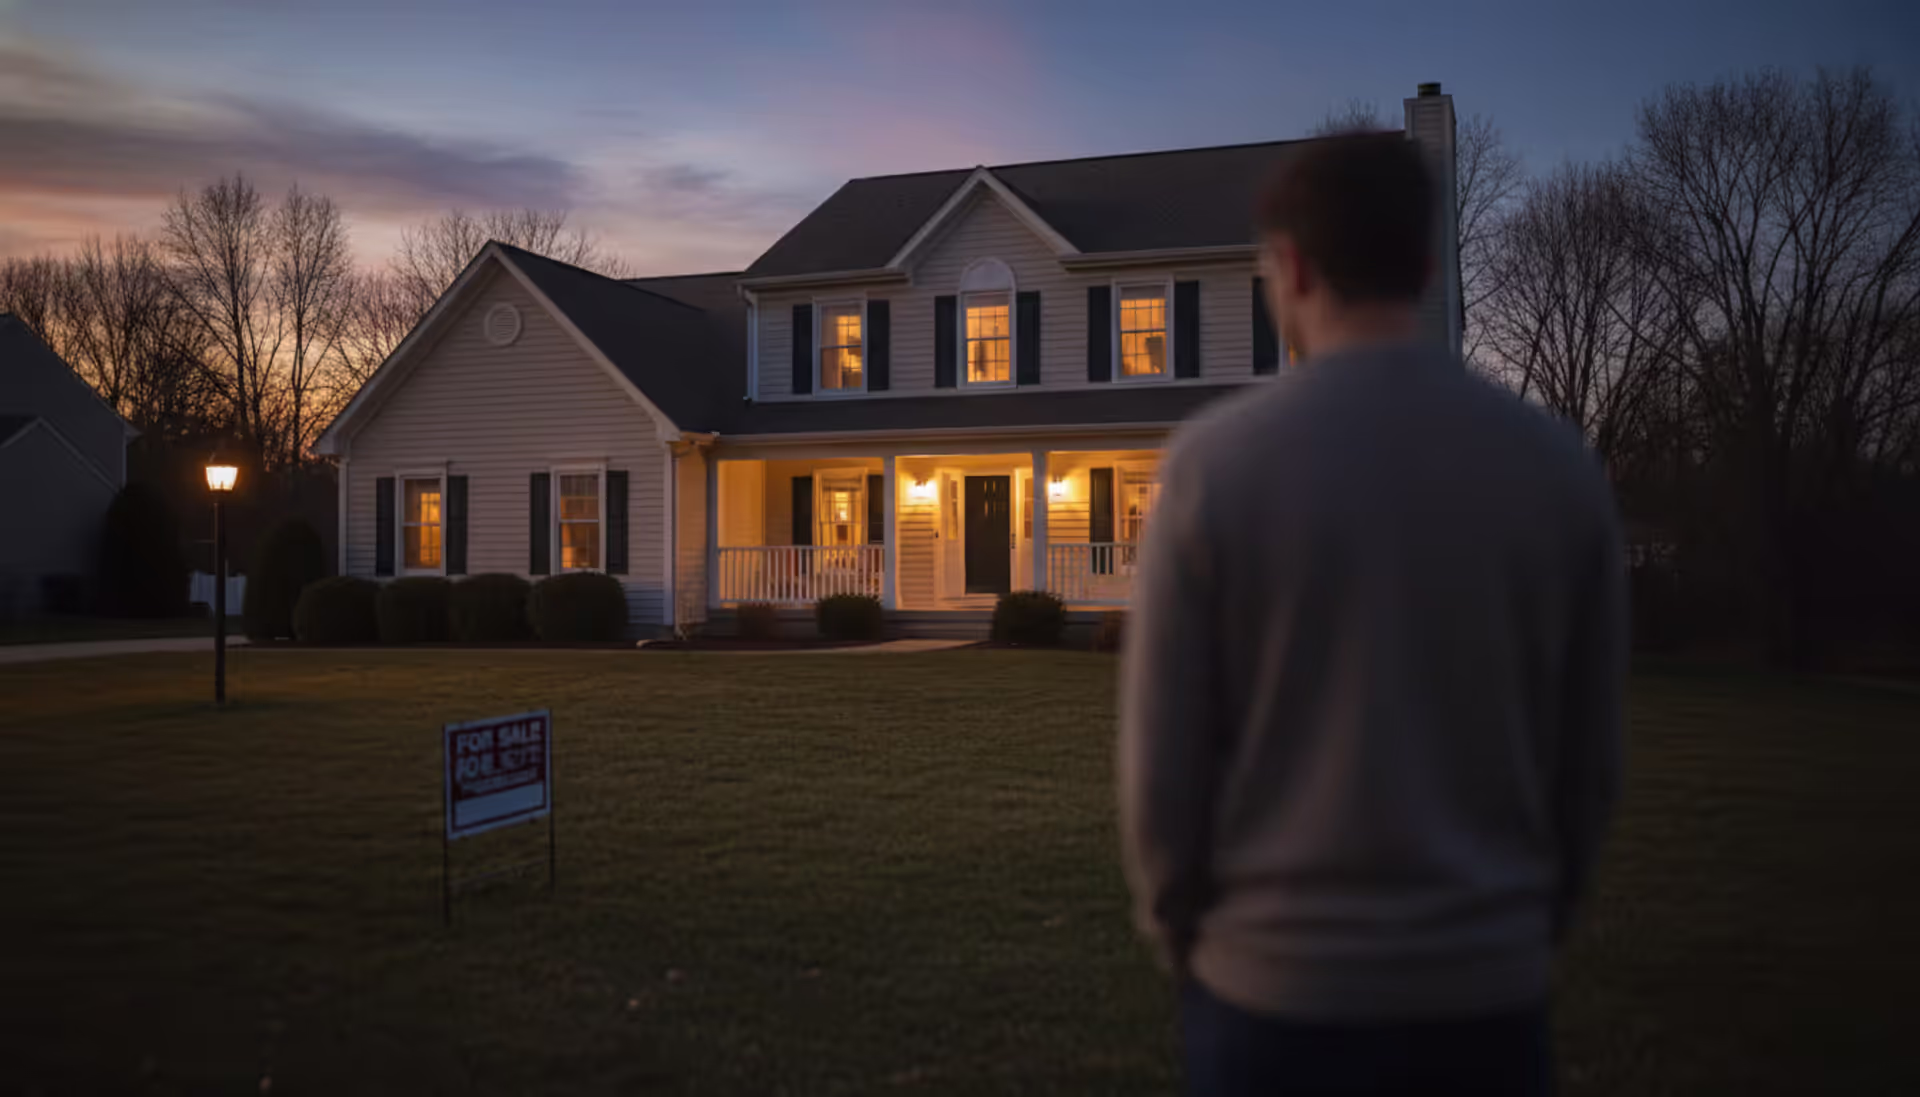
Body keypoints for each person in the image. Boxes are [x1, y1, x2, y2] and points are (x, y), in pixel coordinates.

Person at [1118, 132, 1626, 1096]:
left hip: (1268, 1000)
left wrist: (1186, 933)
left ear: (1294, 266)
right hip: (1486, 998)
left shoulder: (1210, 469)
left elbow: (1163, 775)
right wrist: (1526, 927)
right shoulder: (1559, 469)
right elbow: (1589, 763)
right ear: (1426, 265)